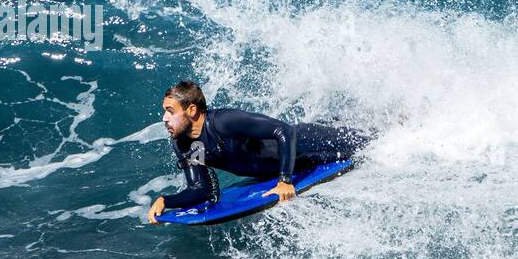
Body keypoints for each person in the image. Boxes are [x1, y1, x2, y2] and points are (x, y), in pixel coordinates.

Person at [147, 80, 370, 223]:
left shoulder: (223, 122)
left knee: (370, 141)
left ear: (192, 110)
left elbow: (285, 131)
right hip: (282, 166)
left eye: (170, 111)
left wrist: (285, 180)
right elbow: (201, 190)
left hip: (308, 145)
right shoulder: (184, 144)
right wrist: (167, 201)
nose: (165, 118)